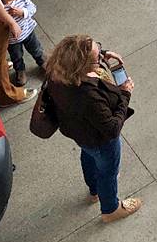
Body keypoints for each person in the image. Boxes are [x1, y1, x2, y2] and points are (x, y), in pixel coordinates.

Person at [45, 34, 141, 224]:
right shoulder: (88, 95)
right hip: (101, 139)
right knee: (108, 171)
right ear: (82, 65)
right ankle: (111, 209)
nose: (101, 58)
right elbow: (112, 129)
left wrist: (102, 54)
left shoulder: (58, 71)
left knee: (88, 156)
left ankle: (94, 189)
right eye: (97, 57)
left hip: (79, 132)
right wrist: (125, 93)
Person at [0, 0, 45, 87]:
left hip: (28, 31)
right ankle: (20, 71)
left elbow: (32, 7)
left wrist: (23, 12)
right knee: (16, 56)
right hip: (12, 39)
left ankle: (42, 62)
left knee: (36, 49)